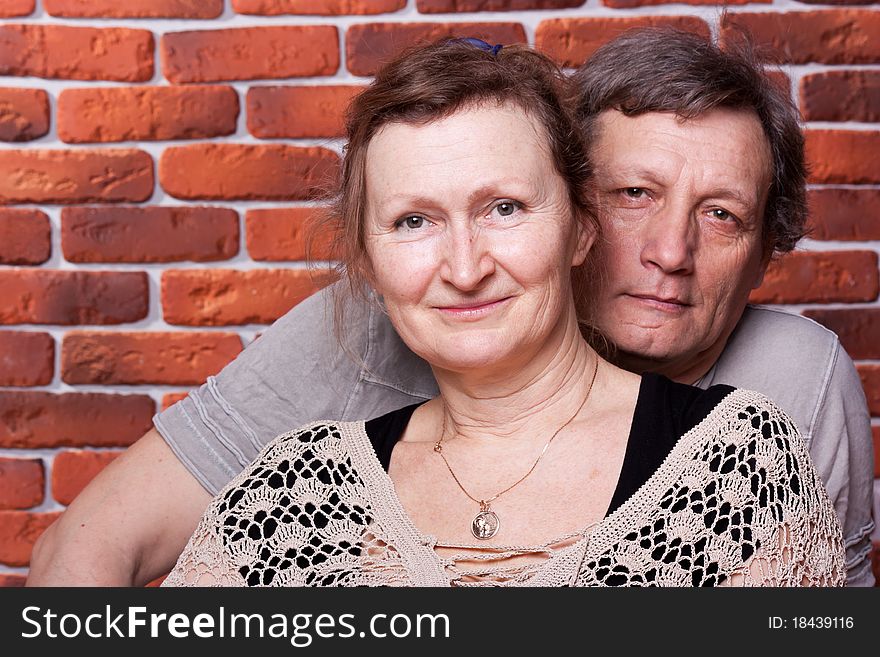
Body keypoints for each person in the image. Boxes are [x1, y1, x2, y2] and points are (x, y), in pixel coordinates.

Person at [27, 29, 870, 587]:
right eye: (635, 193)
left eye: (721, 213)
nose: (670, 251)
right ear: (589, 209)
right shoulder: (329, 405)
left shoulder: (779, 404)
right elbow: (88, 548)